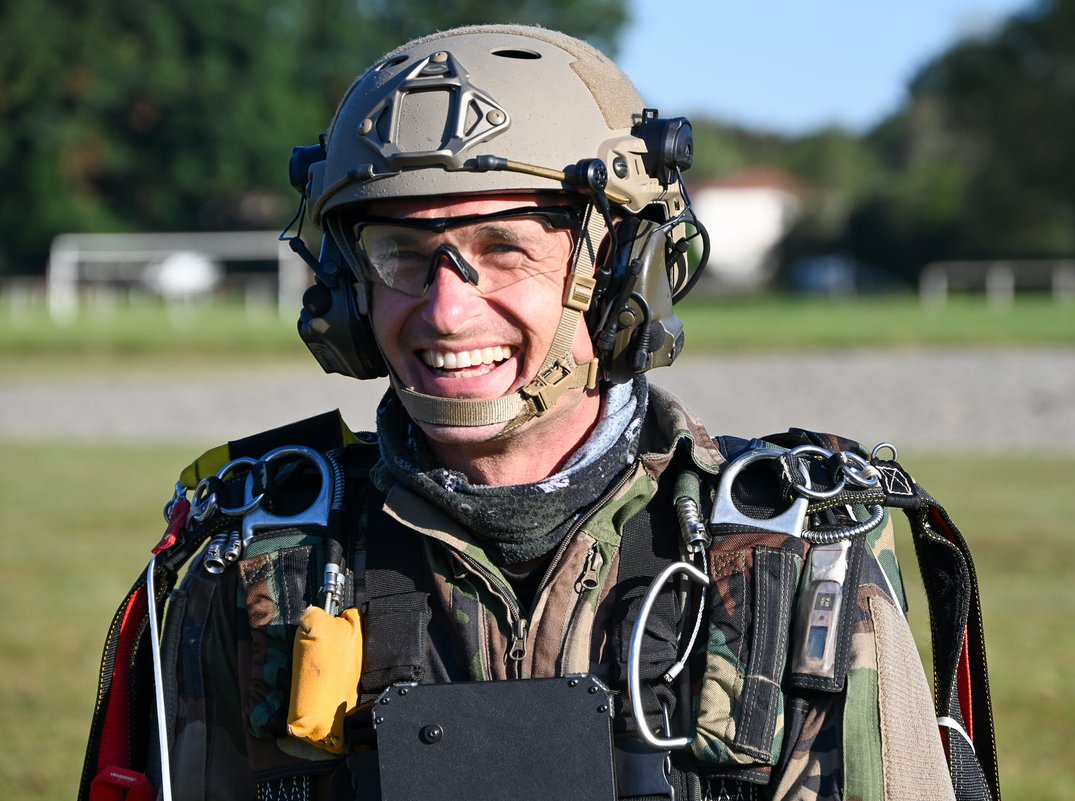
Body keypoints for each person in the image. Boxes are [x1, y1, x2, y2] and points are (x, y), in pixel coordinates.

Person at [80, 24, 999, 801]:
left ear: (620, 272)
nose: (445, 310)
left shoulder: (799, 559)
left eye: (504, 248)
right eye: (402, 253)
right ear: (347, 289)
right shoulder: (246, 564)